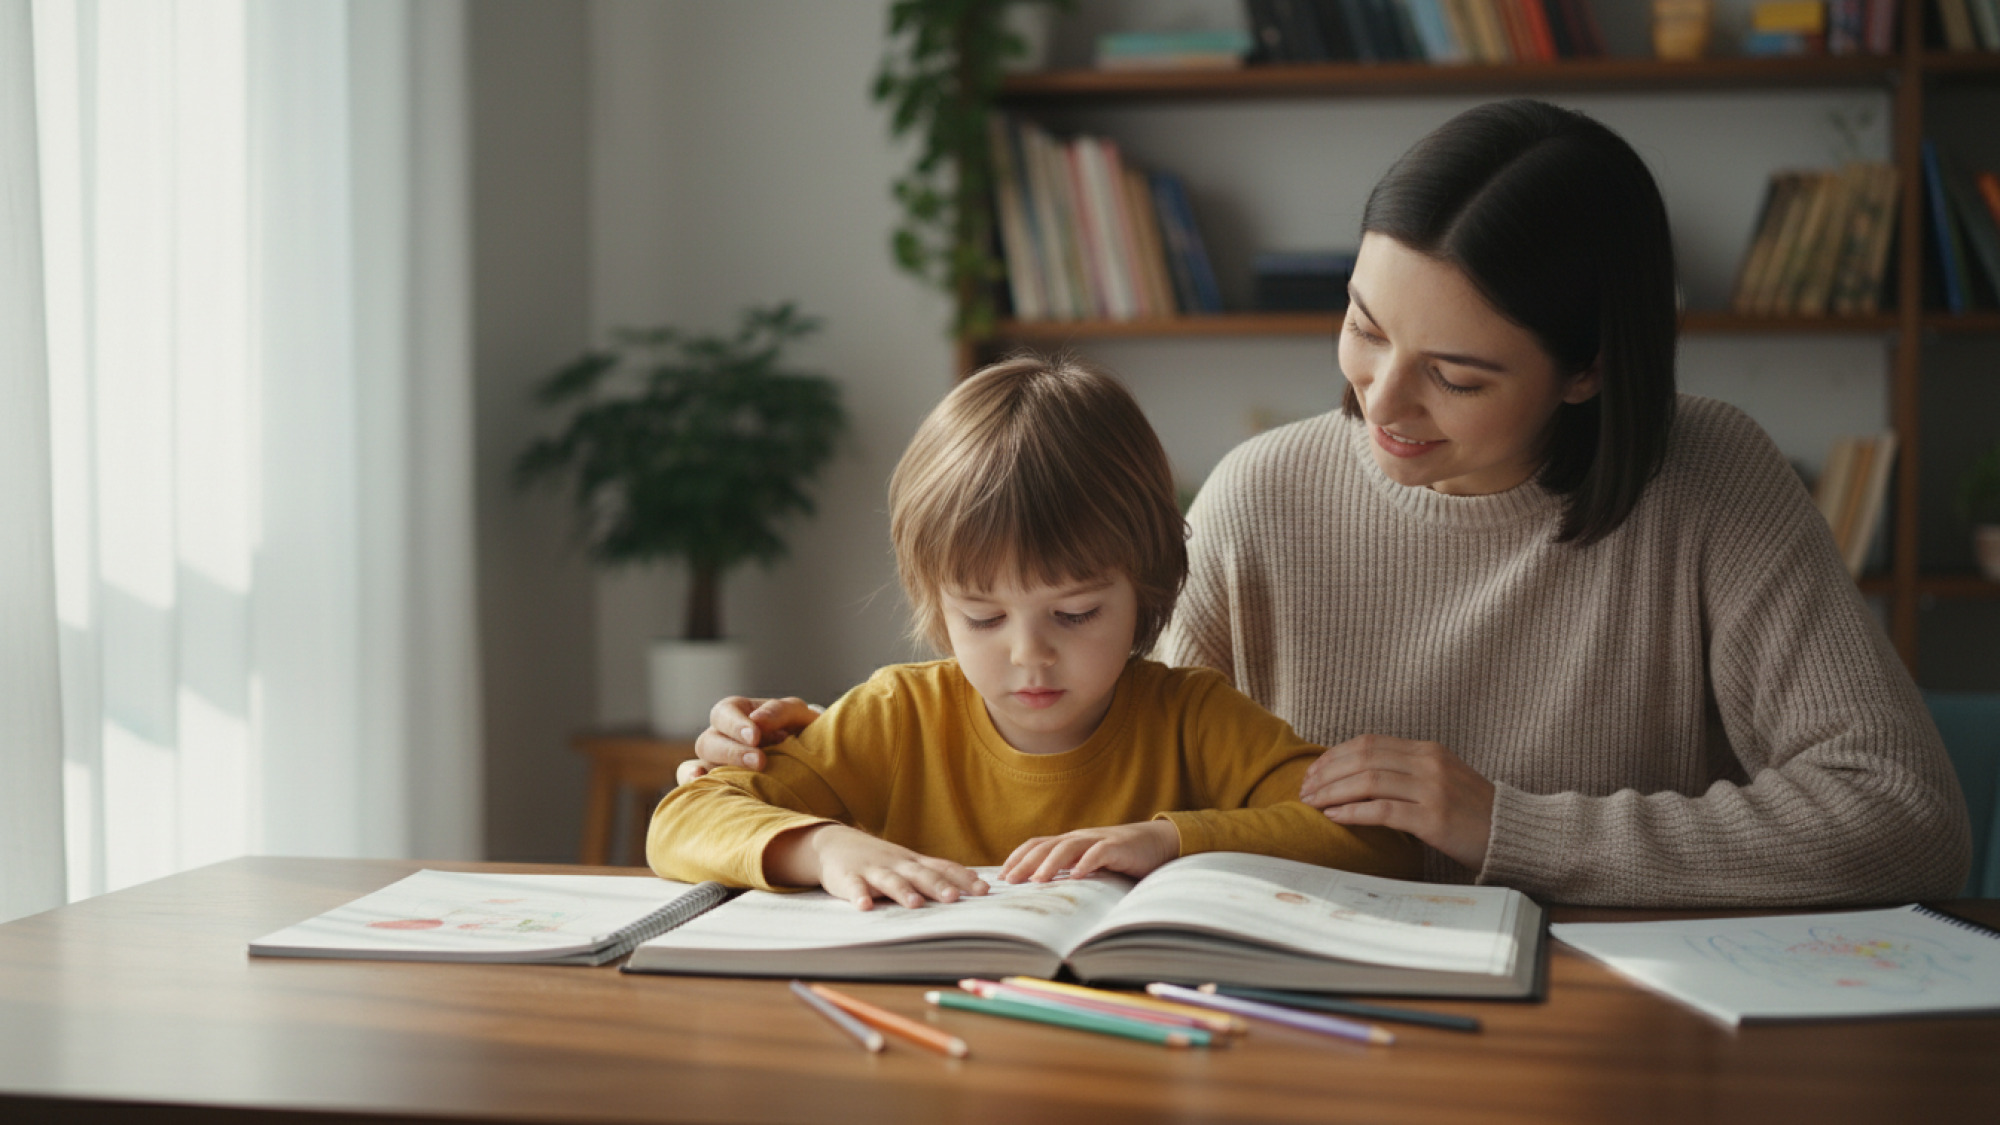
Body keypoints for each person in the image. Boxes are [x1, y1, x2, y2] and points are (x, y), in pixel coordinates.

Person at [682, 99, 1971, 908]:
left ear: (1587, 371)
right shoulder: (1262, 495)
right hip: (1312, 1028)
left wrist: (1504, 826)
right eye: (1361, 329)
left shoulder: (1709, 479)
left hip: (1627, 1031)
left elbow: (1903, 821)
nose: (1380, 404)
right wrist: (773, 793)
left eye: (1456, 375)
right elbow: (1112, 796)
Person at [648, 356, 1421, 909]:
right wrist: (823, 847)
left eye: (1076, 612)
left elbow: (1376, 841)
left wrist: (1173, 840)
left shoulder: (1195, 718)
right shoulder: (895, 716)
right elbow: (683, 820)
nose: (1029, 654)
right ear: (938, 602)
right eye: (983, 617)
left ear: (1146, 585)